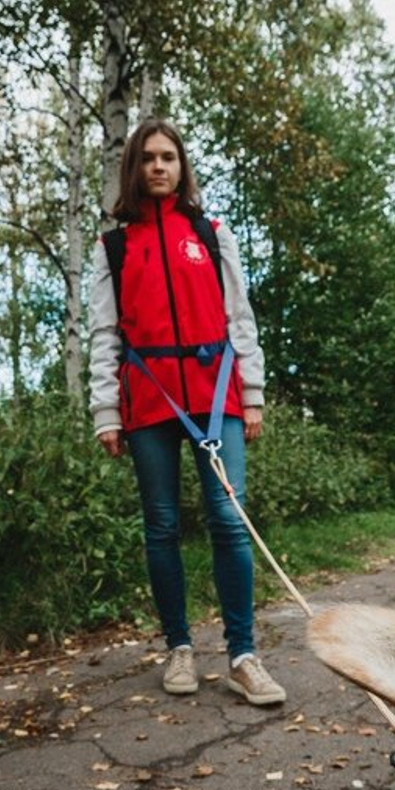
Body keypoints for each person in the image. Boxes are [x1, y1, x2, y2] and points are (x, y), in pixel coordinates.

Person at [89, 118, 286, 707]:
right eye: (147, 157)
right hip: (147, 399)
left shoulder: (211, 231)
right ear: (134, 167)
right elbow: (104, 332)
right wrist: (106, 410)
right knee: (163, 526)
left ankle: (243, 655)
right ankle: (178, 646)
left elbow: (239, 318)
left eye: (168, 157)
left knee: (229, 520)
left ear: (181, 166)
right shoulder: (115, 247)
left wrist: (250, 393)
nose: (157, 167)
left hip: (216, 392)